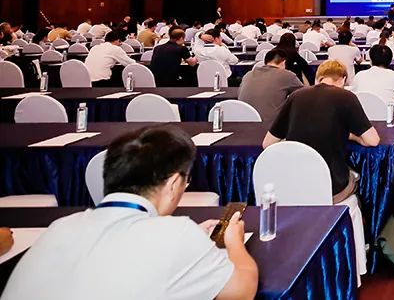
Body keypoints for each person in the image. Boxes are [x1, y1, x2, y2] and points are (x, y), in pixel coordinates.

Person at [2, 125, 258, 299]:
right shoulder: (177, 233)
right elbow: (242, 290)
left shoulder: (59, 228)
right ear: (173, 185)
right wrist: (234, 242)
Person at [265, 60, 379, 202]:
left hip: (294, 185)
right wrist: (352, 136)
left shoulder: (295, 96)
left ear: (318, 78)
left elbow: (268, 143)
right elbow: (373, 141)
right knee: (357, 179)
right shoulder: (346, 97)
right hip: (332, 188)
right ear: (343, 79)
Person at [237, 48, 304, 121]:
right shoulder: (287, 75)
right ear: (283, 62)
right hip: (271, 124)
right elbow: (305, 95)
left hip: (243, 121)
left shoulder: (248, 74)